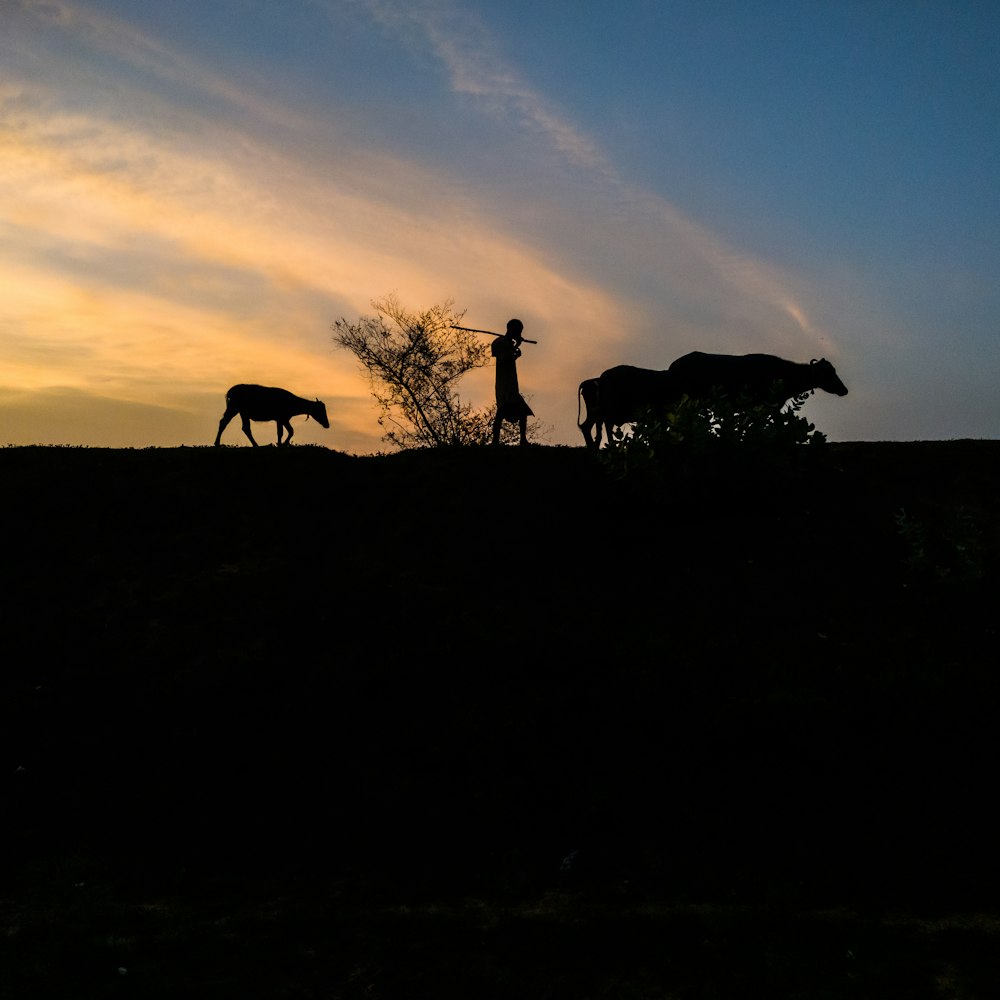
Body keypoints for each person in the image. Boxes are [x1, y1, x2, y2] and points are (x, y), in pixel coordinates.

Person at [491, 318, 533, 446]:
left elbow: (510, 359)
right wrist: (515, 346)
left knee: (521, 411)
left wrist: (516, 353)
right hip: (504, 384)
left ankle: (522, 439)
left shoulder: (507, 343)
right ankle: (495, 441)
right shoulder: (500, 342)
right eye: (518, 331)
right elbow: (504, 358)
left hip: (511, 383)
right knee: (503, 410)